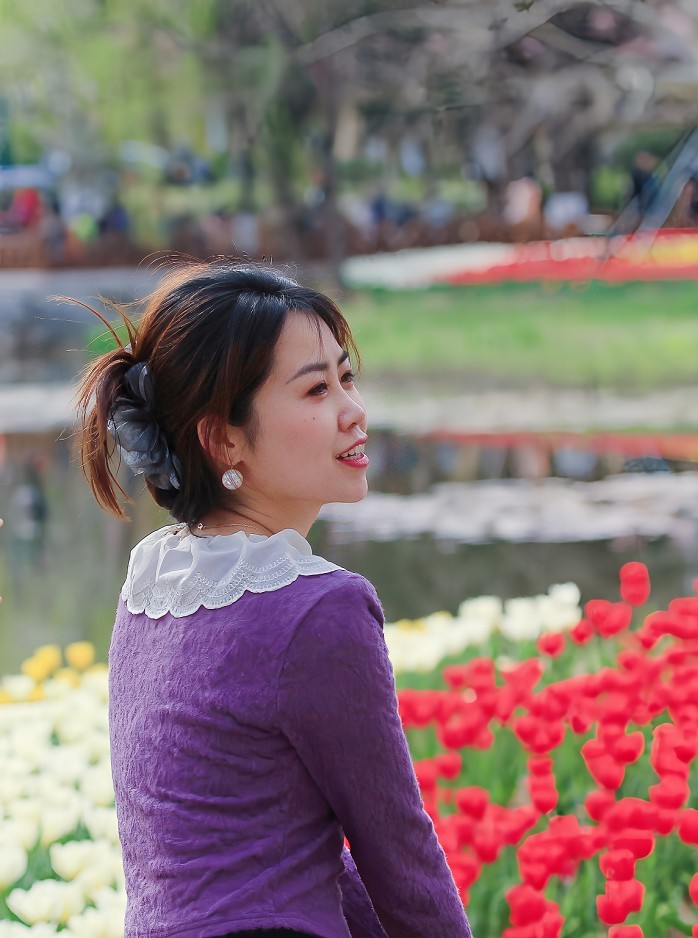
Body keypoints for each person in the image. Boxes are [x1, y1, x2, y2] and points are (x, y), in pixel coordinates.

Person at [75, 260, 472, 938]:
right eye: (316, 390)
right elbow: (400, 860)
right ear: (223, 438)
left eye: (347, 377)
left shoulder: (153, 584)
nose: (354, 411)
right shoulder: (320, 611)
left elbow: (281, 853)